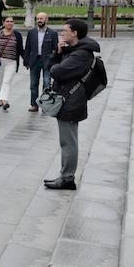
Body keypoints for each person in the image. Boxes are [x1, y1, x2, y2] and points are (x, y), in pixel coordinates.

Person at [43, 18, 100, 191]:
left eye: (65, 30)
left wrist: (58, 60)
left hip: (71, 101)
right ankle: (65, 175)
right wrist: (59, 53)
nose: (62, 33)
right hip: (70, 99)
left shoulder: (80, 54)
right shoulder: (74, 50)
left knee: (68, 141)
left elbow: (56, 71)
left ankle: (67, 178)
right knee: (68, 140)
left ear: (74, 33)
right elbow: (51, 66)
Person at [0, 15, 24, 110]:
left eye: (11, 21)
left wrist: (27, 60)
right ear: (3, 23)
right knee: (0, 81)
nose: (10, 23)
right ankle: (0, 100)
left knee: (7, 80)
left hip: (12, 61)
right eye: (7, 21)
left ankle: (5, 100)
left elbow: (20, 49)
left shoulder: (17, 35)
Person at [23, 12, 58, 113]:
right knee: (33, 84)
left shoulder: (53, 33)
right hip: (34, 61)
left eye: (41, 19)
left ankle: (44, 106)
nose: (39, 20)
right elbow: (28, 48)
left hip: (47, 61)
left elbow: (55, 49)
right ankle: (34, 105)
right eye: (38, 18)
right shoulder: (32, 32)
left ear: (46, 20)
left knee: (47, 84)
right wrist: (26, 61)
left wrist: (53, 60)